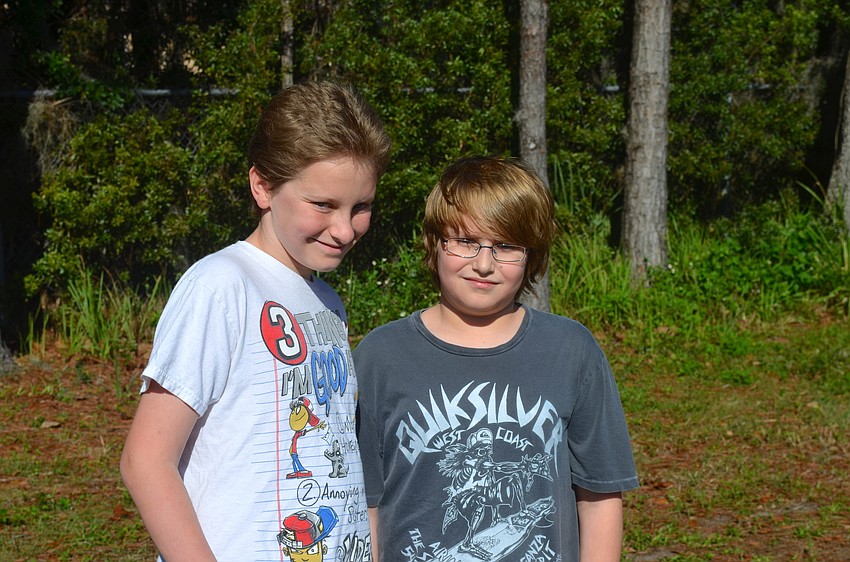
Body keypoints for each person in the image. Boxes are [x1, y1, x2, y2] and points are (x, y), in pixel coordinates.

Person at [120, 81, 390, 562]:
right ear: (263, 187)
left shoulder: (326, 303)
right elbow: (146, 461)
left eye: (360, 207)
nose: (346, 229)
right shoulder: (221, 286)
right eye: (323, 205)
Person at [354, 156, 639, 562]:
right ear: (435, 243)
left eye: (506, 246)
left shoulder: (571, 350)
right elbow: (366, 504)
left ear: (531, 255)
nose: (484, 264)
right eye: (466, 241)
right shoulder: (380, 357)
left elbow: (600, 494)